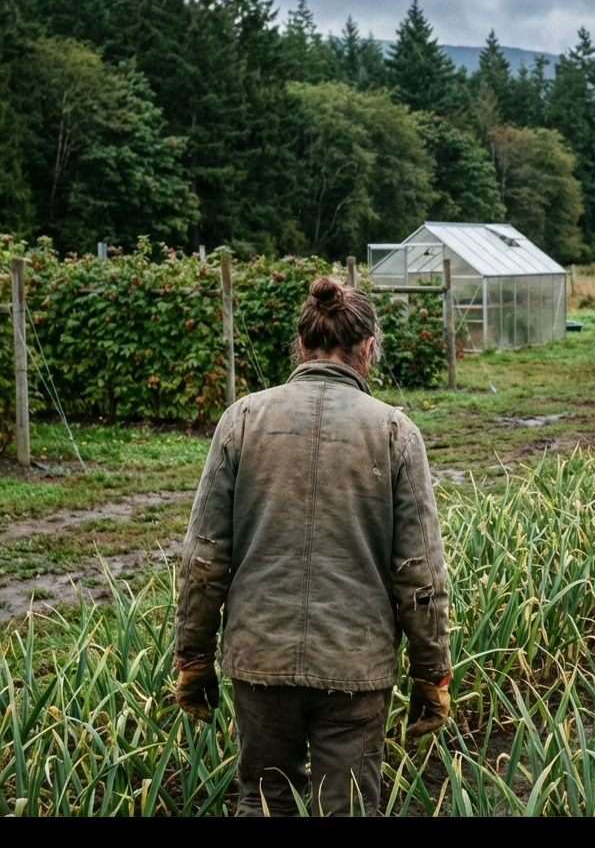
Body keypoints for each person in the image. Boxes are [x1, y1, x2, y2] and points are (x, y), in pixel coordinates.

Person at [173, 276, 452, 816]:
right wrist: (431, 673)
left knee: (264, 799)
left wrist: (193, 660)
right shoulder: (396, 432)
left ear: (300, 346)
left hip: (261, 659)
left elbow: (203, 559)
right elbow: (420, 574)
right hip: (356, 663)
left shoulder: (243, 420)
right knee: (345, 808)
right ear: (368, 347)